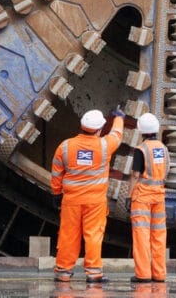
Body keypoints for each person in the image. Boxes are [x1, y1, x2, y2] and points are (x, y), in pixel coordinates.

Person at [51, 107, 124, 283]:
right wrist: (119, 117)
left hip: (71, 201)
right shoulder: (104, 145)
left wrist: (56, 193)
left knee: (68, 235)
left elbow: (56, 172)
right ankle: (93, 273)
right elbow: (117, 135)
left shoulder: (65, 146)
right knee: (93, 235)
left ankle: (63, 272)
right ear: (99, 130)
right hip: (95, 202)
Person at [128, 112, 168, 284]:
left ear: (141, 131)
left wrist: (130, 196)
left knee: (141, 235)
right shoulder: (163, 148)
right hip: (159, 196)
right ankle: (159, 274)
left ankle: (143, 274)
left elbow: (135, 175)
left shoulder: (141, 149)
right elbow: (167, 170)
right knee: (159, 236)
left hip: (142, 197)